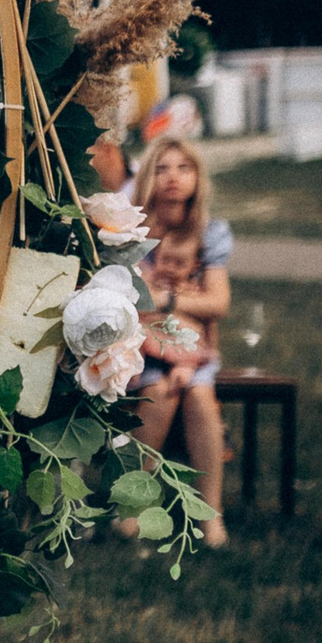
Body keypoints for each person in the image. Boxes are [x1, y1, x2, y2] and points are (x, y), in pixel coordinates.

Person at [121, 137, 234, 549]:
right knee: (158, 393)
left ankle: (211, 515)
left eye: (184, 168)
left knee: (201, 398)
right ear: (149, 175)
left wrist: (166, 299)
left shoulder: (209, 232)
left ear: (198, 178)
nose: (173, 178)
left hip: (194, 346)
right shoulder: (130, 230)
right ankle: (132, 506)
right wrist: (187, 300)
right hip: (141, 346)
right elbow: (127, 300)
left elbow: (218, 302)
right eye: (163, 168)